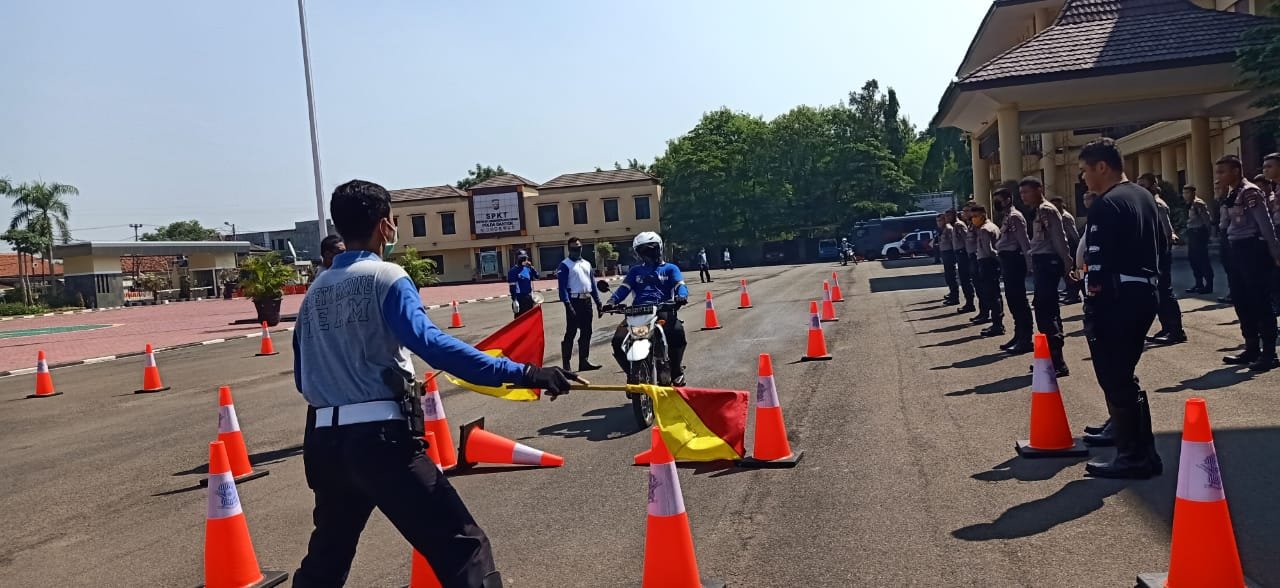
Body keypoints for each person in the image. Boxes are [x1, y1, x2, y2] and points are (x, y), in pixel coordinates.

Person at [291, 179, 581, 587]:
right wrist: (524, 372)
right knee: (463, 548)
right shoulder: (386, 277)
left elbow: (304, 376)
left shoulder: (314, 292)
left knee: (326, 559)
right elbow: (432, 344)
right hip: (380, 443)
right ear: (384, 225)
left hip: (324, 444)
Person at [1076, 138, 1165, 479]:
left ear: (1102, 167)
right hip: (1145, 292)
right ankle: (1142, 451)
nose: (1084, 178)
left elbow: (1097, 262)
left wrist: (1093, 300)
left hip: (1117, 298)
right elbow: (1162, 248)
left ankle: (1134, 457)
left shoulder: (1106, 204)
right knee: (1124, 374)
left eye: (1085, 170)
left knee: (1114, 376)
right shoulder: (1145, 197)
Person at [1217, 155, 1280, 371]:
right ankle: (1252, 347)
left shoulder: (1250, 192)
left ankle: (1270, 353)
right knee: (1241, 300)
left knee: (1260, 301)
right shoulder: (1232, 193)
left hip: (1252, 249)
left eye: (1222, 171)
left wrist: (1275, 252)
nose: (1219, 176)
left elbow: (1265, 223)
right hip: (1236, 249)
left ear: (1235, 171)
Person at [603, 231, 690, 385]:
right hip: (637, 312)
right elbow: (624, 289)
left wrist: (681, 296)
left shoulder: (670, 269)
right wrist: (612, 301)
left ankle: (676, 371)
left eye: (651, 250)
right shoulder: (635, 271)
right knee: (618, 341)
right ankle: (631, 374)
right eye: (643, 251)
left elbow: (680, 285)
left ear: (659, 249)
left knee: (676, 332)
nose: (648, 254)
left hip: (663, 308)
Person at [1020, 176, 1074, 376]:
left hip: (1049, 262)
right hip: (1042, 262)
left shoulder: (1047, 210)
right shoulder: (1037, 212)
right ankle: (1051, 359)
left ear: (1039, 189)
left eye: (1026, 192)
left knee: (1046, 311)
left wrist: (1068, 265)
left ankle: (1057, 362)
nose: (1023, 196)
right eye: (1021, 193)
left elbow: (1060, 239)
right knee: (1045, 310)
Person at [1140, 178, 1186, 345]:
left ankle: (1176, 330)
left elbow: (1167, 231)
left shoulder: (1157, 204)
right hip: (1155, 251)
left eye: (1144, 186)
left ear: (1153, 186)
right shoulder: (1149, 203)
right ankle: (1166, 328)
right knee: (1159, 290)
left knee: (1165, 290)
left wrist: (1162, 254)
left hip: (1161, 251)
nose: (1141, 189)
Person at [994, 188, 1034, 354]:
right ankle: (1018, 335)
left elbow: (1023, 241)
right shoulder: (1007, 217)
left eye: (999, 200)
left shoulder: (1015, 217)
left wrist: (1029, 263)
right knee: (1012, 299)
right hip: (1007, 260)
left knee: (1018, 299)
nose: (997, 203)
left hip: (1014, 260)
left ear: (1009, 199)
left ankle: (1026, 338)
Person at [556, 237, 603, 372]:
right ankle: (566, 364)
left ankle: (584, 361)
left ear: (582, 248)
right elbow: (562, 288)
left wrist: (598, 303)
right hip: (573, 301)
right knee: (571, 332)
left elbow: (592, 285)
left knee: (587, 332)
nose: (576, 250)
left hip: (586, 301)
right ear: (569, 249)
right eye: (573, 248)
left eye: (578, 248)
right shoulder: (564, 265)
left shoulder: (587, 264)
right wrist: (567, 305)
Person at [972, 205, 1004, 337]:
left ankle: (997, 325)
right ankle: (997, 323)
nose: (973, 219)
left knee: (991, 295)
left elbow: (989, 250)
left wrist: (997, 260)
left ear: (983, 215)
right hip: (991, 263)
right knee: (995, 294)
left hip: (987, 263)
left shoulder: (984, 229)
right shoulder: (993, 226)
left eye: (975, 216)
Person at [1182, 185, 1214, 294]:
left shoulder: (1198, 203)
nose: (1185, 195)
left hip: (1199, 233)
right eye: (1184, 193)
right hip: (1192, 233)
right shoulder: (1189, 205)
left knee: (1203, 260)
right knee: (1193, 260)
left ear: (1193, 193)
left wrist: (1208, 235)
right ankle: (1198, 283)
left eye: (1188, 193)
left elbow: (1207, 220)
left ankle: (1209, 285)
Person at [1050, 197, 1082, 305]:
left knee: (1071, 272)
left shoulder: (1066, 217)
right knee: (1065, 272)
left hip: (1071, 247)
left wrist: (1078, 249)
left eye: (1056, 204)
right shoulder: (1057, 216)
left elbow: (1074, 233)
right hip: (1063, 247)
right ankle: (1069, 293)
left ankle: (1074, 295)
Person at [946, 208, 977, 314]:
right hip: (959, 254)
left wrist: (967, 253)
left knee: (965, 280)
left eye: (949, 216)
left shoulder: (959, 225)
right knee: (963, 280)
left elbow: (966, 239)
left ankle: (970, 303)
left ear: (954, 215)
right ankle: (968, 302)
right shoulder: (954, 226)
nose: (947, 218)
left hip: (963, 254)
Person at [937, 214, 960, 305]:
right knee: (948, 277)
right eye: (937, 221)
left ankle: (955, 297)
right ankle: (952, 294)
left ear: (944, 220)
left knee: (951, 276)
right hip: (945, 254)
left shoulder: (949, 229)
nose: (938, 223)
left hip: (949, 253)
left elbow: (952, 242)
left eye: (940, 221)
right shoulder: (942, 230)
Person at [506, 250, 536, 318]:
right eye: (523, 258)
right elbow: (512, 287)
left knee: (530, 318)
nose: (525, 260)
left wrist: (532, 268)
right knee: (520, 319)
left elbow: (537, 276)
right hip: (520, 298)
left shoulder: (527, 269)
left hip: (529, 297)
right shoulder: (513, 271)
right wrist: (514, 300)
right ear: (518, 259)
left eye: (526, 258)